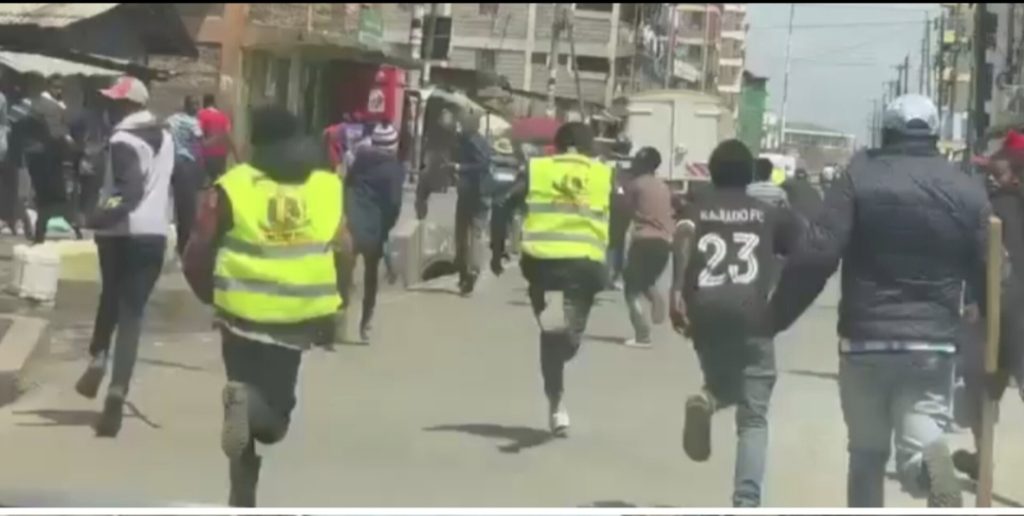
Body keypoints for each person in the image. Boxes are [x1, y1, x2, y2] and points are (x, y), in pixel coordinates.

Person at [769, 94, 988, 508]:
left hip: (865, 340)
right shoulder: (966, 188)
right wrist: (991, 325)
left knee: (866, 456)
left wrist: (776, 316)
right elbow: (988, 265)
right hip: (934, 344)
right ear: (934, 134)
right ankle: (927, 465)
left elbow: (819, 254)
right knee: (921, 435)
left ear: (887, 132)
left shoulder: (858, 176)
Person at [182, 105, 349, 507]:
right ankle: (248, 410)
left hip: (238, 315)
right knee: (274, 420)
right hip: (295, 317)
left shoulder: (232, 186)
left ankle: (241, 495)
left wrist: (212, 296)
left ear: (255, 140)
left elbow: (197, 250)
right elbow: (345, 248)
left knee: (240, 399)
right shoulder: (325, 186)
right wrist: (339, 304)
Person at [669, 139, 799, 507]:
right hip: (752, 314)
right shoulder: (767, 213)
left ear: (711, 172)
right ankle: (746, 501)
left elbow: (683, 236)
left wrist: (677, 289)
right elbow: (802, 248)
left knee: (724, 382)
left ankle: (708, 399)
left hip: (706, 312)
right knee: (754, 417)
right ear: (751, 175)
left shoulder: (697, 209)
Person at [72, 76, 183, 438]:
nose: (110, 108)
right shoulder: (166, 136)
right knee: (132, 313)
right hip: (153, 234)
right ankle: (117, 390)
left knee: (110, 297)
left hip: (120, 233)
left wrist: (98, 216)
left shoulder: (123, 139)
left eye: (115, 103)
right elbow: (180, 184)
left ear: (128, 105)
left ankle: (99, 355)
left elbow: (128, 190)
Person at [520, 122, 611, 435]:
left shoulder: (538, 169)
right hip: (561, 268)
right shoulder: (602, 173)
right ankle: (556, 403)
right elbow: (623, 210)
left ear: (557, 145)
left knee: (564, 340)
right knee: (554, 335)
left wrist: (496, 248)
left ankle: (556, 393)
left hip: (559, 267)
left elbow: (505, 200)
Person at [950, 148, 1024, 481]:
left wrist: (975, 303)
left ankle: (983, 459)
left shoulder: (991, 210)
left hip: (998, 315)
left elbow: (981, 261)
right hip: (1009, 314)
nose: (990, 180)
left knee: (980, 390)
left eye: (996, 174)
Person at [338, 122, 406, 343]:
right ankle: (366, 322)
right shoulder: (394, 169)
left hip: (352, 223)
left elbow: (347, 186)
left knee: (344, 272)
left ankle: (339, 317)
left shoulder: (360, 160)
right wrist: (386, 226)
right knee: (371, 275)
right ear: (393, 146)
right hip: (375, 227)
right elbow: (394, 203)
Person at [11, 72, 81, 243]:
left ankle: (41, 235)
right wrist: (73, 146)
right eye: (56, 87)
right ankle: (71, 230)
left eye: (61, 88)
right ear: (48, 87)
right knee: (55, 197)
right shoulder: (49, 106)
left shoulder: (39, 103)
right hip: (46, 158)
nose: (59, 91)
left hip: (41, 157)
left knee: (47, 198)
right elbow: (58, 133)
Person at [621, 146, 673, 348]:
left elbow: (626, 209)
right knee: (644, 280)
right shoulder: (663, 186)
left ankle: (642, 335)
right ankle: (655, 297)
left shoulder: (635, 185)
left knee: (631, 289)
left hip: (643, 241)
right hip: (663, 243)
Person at [447, 111, 492, 295]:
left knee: (470, 235)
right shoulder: (473, 140)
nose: (460, 126)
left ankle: (469, 272)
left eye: (463, 123)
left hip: (475, 194)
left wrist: (459, 167)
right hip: (473, 193)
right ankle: (465, 272)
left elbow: (483, 165)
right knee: (467, 235)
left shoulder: (473, 142)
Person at [165, 95, 204, 254]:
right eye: (195, 104)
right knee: (188, 208)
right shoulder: (194, 123)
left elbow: (164, 131)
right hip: (187, 165)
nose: (197, 108)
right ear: (188, 106)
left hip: (172, 164)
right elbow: (200, 142)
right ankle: (184, 245)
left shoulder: (172, 119)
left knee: (176, 204)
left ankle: (179, 241)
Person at [68, 89, 112, 229]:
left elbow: (73, 137)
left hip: (84, 157)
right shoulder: (102, 117)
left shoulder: (79, 116)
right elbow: (106, 137)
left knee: (82, 190)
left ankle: (81, 219)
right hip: (96, 156)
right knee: (93, 190)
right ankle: (87, 218)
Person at [198, 94, 237, 183]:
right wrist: (235, 155)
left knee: (208, 182)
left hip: (207, 155)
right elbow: (228, 136)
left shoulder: (201, 115)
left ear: (204, 103)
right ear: (214, 103)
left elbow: (198, 134)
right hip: (221, 155)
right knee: (220, 182)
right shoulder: (223, 116)